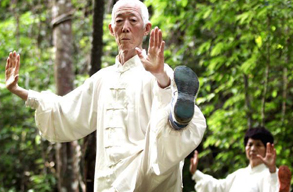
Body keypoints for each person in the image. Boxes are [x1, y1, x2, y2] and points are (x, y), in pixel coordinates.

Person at [5, 0, 207, 191]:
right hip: (107, 181)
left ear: (146, 28)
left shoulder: (159, 70)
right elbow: (65, 109)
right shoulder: (102, 79)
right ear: (111, 29)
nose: (125, 27)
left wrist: (160, 75)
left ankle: (178, 119)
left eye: (133, 20)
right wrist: (21, 91)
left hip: (145, 173)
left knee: (161, 146)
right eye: (119, 21)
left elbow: (165, 88)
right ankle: (176, 120)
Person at [189, 127, 292, 192]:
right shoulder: (238, 175)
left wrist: (272, 170)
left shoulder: (272, 174)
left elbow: (274, 187)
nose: (253, 149)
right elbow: (217, 187)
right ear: (245, 148)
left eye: (258, 145)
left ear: (267, 149)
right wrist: (195, 173)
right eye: (250, 144)